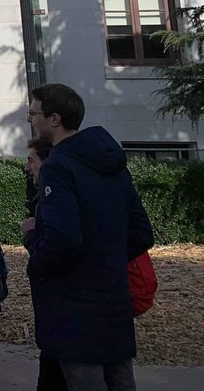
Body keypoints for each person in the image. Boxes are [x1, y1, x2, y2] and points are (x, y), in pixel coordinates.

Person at [23, 83, 153, 391]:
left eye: (33, 113)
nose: (30, 120)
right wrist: (104, 259)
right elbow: (140, 231)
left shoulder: (58, 166)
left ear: (54, 119)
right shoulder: (113, 163)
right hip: (113, 302)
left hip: (74, 310)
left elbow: (62, 239)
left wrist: (33, 247)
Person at [23, 136, 67, 391]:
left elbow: (51, 253)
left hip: (60, 317)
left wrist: (30, 235)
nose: (27, 168)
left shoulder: (52, 203)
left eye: (31, 160)